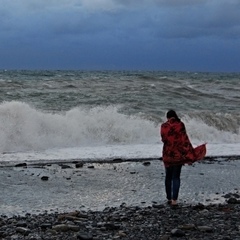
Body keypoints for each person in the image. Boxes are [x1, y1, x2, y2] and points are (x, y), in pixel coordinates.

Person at [160, 110, 206, 206]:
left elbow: (163, 139)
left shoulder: (164, 126)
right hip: (178, 155)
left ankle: (168, 198)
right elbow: (185, 140)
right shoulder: (180, 125)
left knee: (168, 177)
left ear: (167, 117)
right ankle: (174, 200)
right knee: (176, 177)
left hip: (167, 154)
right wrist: (190, 153)